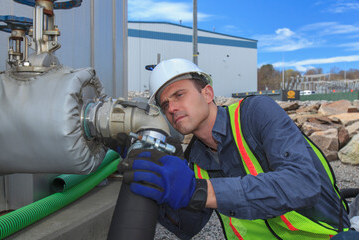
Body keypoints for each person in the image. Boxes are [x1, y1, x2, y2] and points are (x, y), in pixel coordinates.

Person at [118, 58, 352, 239]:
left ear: (207, 93)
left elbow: (303, 184)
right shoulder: (193, 159)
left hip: (327, 236)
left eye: (179, 95)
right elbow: (188, 227)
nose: (172, 108)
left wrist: (200, 190)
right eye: (165, 104)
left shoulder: (255, 114)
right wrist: (157, 188)